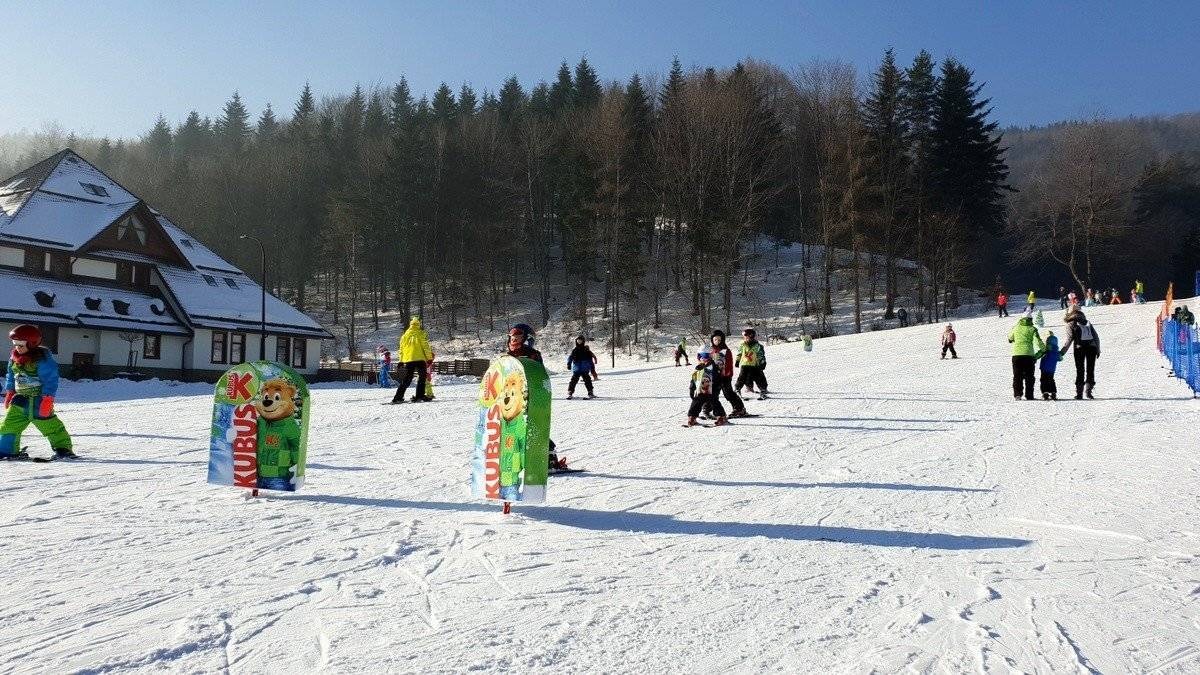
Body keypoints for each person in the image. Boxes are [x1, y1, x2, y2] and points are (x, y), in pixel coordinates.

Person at [2, 325, 76, 459]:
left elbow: (50, 379)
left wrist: (48, 398)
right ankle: (7, 450)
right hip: (19, 400)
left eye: (21, 344)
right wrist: (10, 392)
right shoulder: (14, 358)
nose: (17, 347)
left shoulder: (42, 359)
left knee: (51, 426)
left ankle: (63, 448)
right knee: (9, 425)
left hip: (39, 401)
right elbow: (11, 376)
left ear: (32, 343)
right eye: (15, 344)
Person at [505, 324, 568, 470]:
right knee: (512, 430)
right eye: (512, 337)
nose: (514, 340)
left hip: (530, 397)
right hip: (511, 400)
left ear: (527, 339)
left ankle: (548, 459)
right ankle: (515, 460)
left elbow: (538, 375)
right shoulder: (507, 357)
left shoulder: (533, 355)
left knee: (532, 427)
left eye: (518, 337)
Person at [390, 317, 433, 403]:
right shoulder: (420, 333)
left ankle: (398, 397)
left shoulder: (404, 336)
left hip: (408, 360)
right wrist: (429, 358)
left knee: (407, 379)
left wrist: (401, 361)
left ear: (410, 325)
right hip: (420, 359)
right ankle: (419, 396)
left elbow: (401, 349)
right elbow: (426, 346)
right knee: (422, 377)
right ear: (418, 325)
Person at [1059, 309, 1100, 399]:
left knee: (1080, 370)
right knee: (1090, 369)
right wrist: (1098, 349)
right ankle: (1089, 392)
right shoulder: (1086, 322)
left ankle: (1079, 394)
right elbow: (1096, 336)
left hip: (1079, 348)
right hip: (1092, 347)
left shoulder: (1070, 324)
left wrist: (1062, 352)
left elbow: (1069, 340)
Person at [708, 330, 749, 418]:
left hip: (725, 376)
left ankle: (739, 409)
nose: (717, 342)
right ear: (712, 340)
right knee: (712, 393)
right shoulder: (710, 351)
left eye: (719, 340)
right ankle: (707, 410)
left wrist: (728, 374)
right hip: (714, 376)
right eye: (715, 340)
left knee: (728, 393)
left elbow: (729, 363)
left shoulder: (726, 350)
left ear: (722, 340)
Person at [1008, 316, 1045, 401]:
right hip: (1029, 355)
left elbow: (1010, 338)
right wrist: (1043, 350)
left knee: (1017, 376)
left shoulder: (1016, 327)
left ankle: (1017, 394)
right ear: (1031, 320)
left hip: (1016, 355)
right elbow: (1038, 341)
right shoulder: (1033, 329)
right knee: (1030, 376)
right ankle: (1029, 395)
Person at [686, 351, 727, 427]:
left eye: (707, 359)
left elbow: (718, 378)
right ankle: (692, 417)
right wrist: (692, 388)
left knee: (714, 402)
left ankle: (721, 417)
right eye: (703, 359)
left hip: (711, 389)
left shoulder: (713, 367)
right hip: (700, 390)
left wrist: (717, 387)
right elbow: (694, 379)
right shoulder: (698, 368)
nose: (705, 361)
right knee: (696, 402)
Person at [735, 328, 768, 399]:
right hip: (745, 364)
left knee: (759, 377)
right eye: (745, 338)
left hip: (755, 364)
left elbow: (760, 355)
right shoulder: (743, 345)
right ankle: (738, 388)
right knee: (742, 377)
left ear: (753, 337)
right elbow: (739, 353)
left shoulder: (757, 346)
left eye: (749, 338)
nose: (747, 339)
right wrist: (737, 361)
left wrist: (763, 362)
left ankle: (763, 388)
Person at [1037, 329, 1061, 400]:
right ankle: (1053, 392)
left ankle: (1045, 392)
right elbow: (1060, 358)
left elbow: (1039, 354)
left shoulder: (1046, 349)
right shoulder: (1056, 350)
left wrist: (1034, 357)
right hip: (1052, 368)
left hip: (1044, 367)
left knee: (1043, 379)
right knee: (1051, 379)